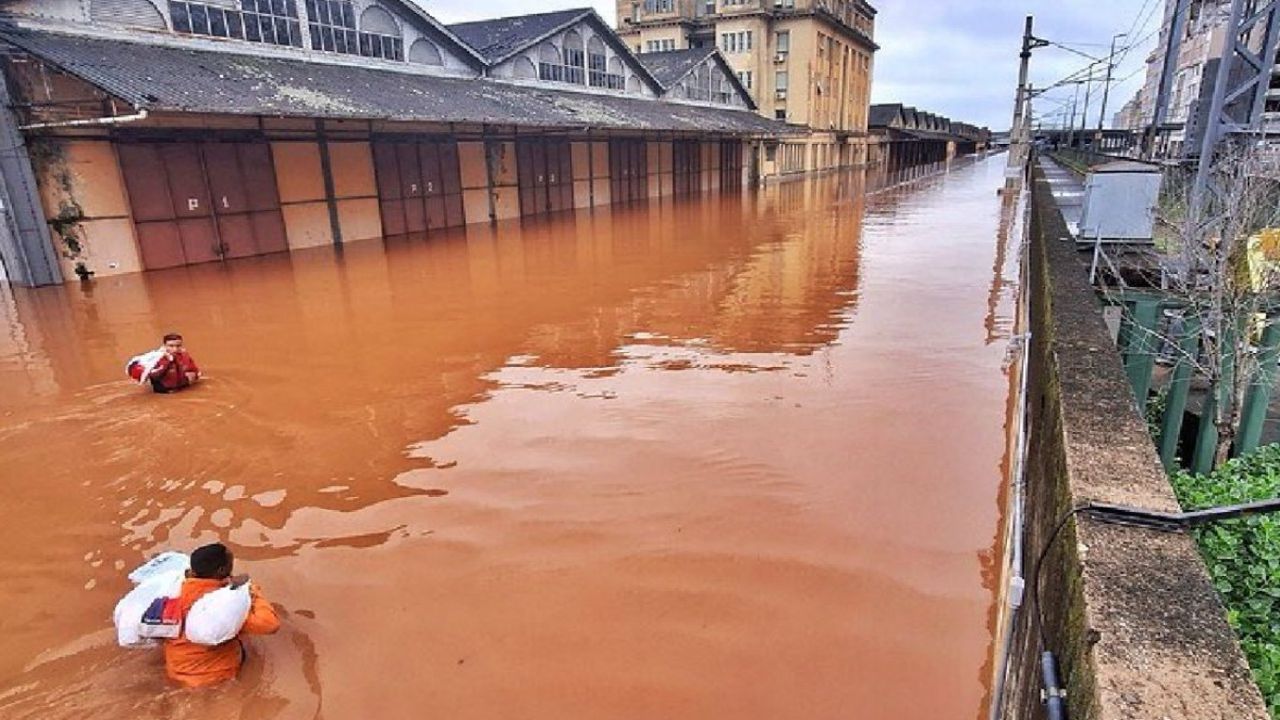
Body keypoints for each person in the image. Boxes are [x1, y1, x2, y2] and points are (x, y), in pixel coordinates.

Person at [164, 543, 280, 688]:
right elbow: (270, 625)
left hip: (174, 671)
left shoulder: (175, 591)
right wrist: (252, 592)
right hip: (214, 678)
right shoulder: (224, 605)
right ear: (222, 570)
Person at [127, 333, 200, 393]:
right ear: (165, 346)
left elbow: (194, 370)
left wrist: (193, 375)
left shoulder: (184, 355)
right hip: (165, 392)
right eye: (171, 346)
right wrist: (166, 362)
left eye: (178, 346)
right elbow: (150, 375)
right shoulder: (156, 358)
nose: (175, 349)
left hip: (183, 387)